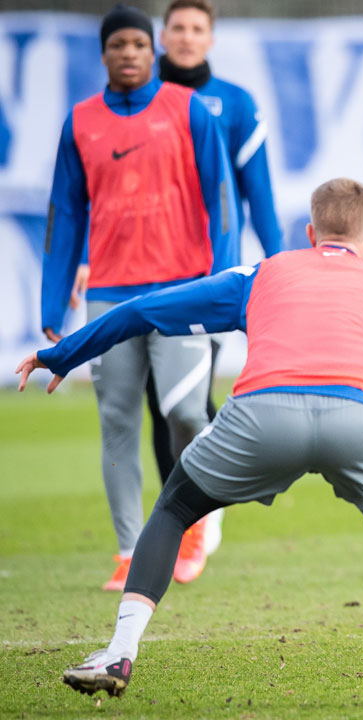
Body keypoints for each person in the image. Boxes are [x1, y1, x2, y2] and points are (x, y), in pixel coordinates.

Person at [18, 178, 363, 708]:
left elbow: (145, 310)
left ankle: (119, 651)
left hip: (262, 415)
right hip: (360, 419)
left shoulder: (264, 273)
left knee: (176, 506)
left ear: (309, 232)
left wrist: (65, 353)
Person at [41, 3, 237, 592]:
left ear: (152, 53)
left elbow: (222, 198)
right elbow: (65, 211)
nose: (128, 53)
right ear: (103, 54)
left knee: (182, 411)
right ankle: (129, 551)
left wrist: (224, 285)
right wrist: (55, 305)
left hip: (183, 291)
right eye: (117, 45)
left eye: (137, 45)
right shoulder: (81, 122)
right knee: (118, 420)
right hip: (109, 293)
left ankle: (202, 517)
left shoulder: (188, 110)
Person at [134, 0, 287, 560]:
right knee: (158, 399)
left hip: (209, 274)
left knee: (184, 400)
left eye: (198, 28)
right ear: (162, 35)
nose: (187, 37)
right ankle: (184, 517)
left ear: (211, 38)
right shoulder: (137, 102)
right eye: (178, 27)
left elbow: (260, 197)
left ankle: (203, 510)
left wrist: (281, 268)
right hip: (140, 271)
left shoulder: (235, 103)